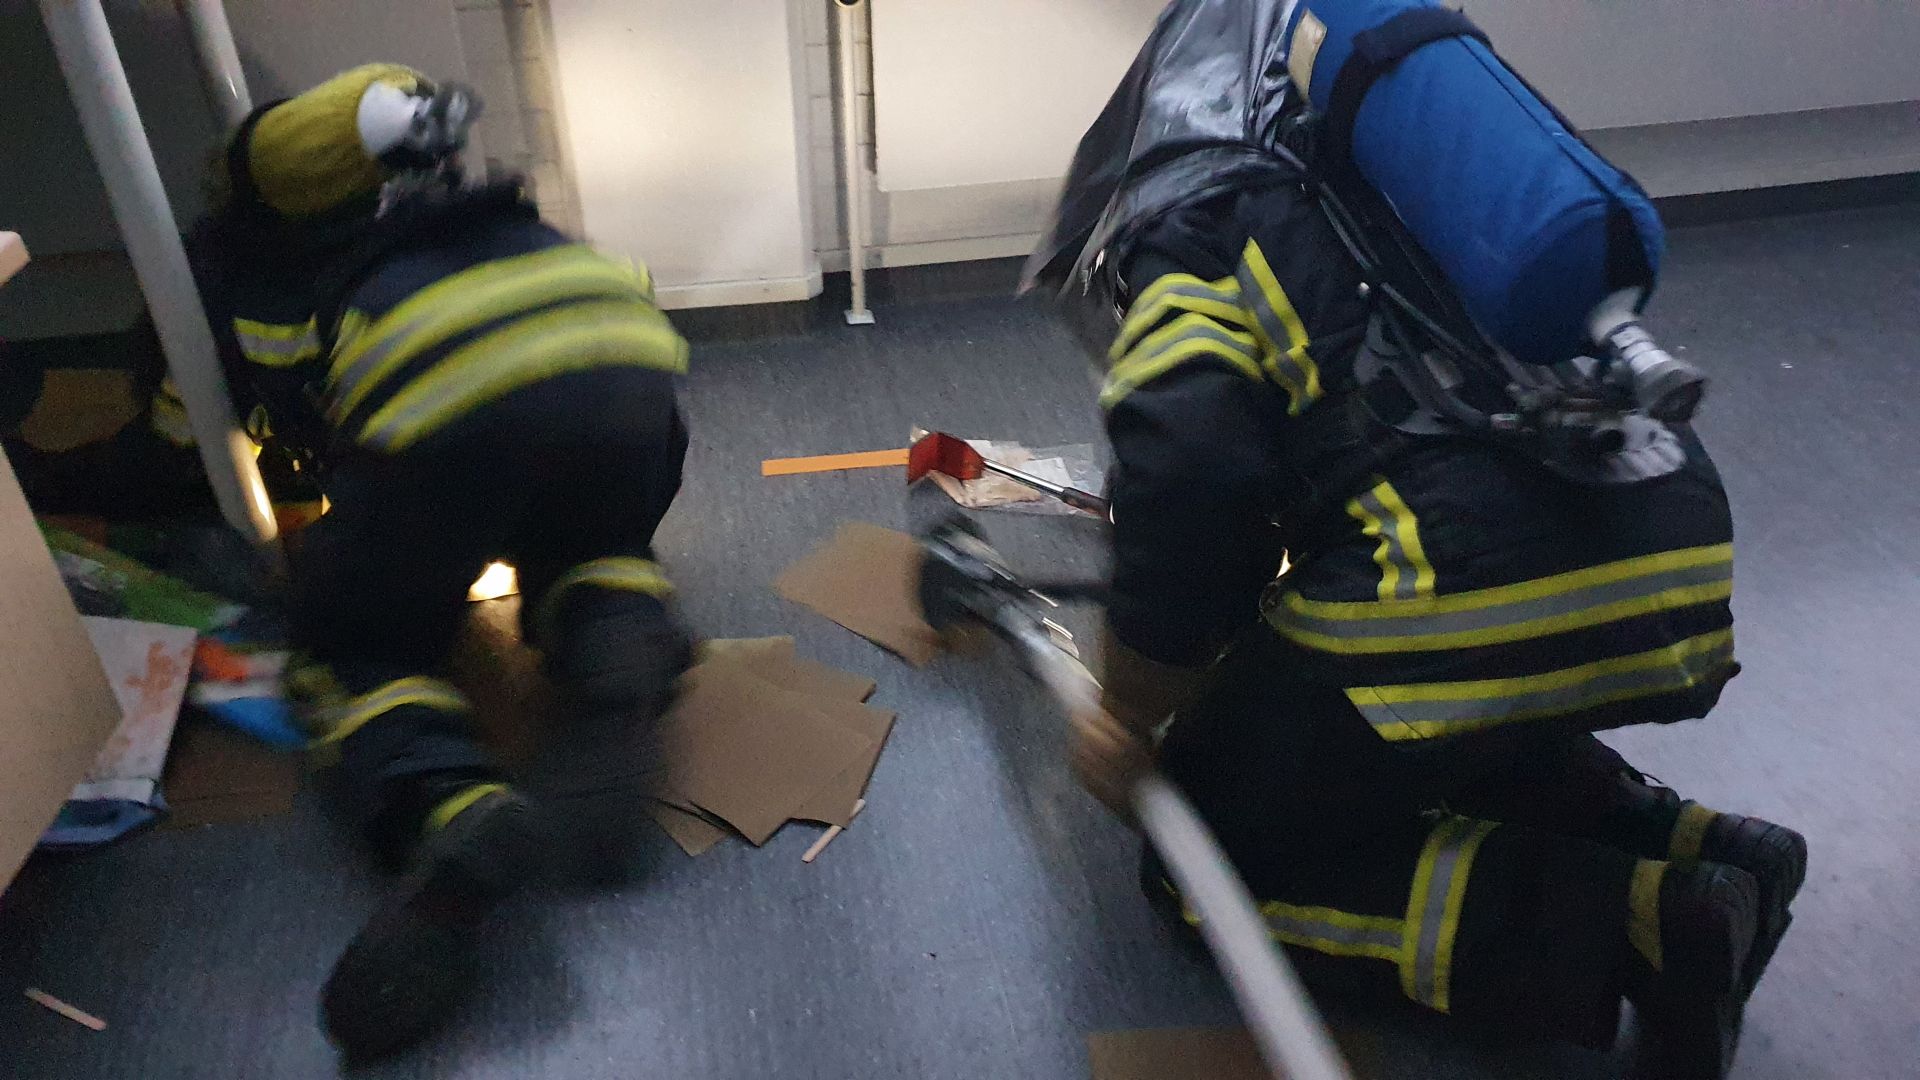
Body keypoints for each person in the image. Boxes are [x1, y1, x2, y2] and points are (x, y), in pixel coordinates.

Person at [181, 64, 693, 1060]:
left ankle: (455, 807)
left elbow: (264, 415)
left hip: (451, 406)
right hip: (620, 348)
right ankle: (618, 645)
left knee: (352, 649)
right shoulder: (470, 207)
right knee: (595, 545)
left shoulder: (264, 271)